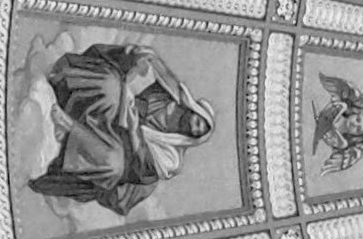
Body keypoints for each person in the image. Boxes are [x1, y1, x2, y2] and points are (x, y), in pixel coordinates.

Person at [31, 41, 221, 216]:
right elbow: (141, 69)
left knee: (112, 162)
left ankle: (69, 129)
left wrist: (132, 125)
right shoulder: (167, 95)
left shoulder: (171, 158)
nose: (194, 127)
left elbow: (139, 163)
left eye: (198, 133)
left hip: (123, 145)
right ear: (195, 111)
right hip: (111, 113)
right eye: (199, 122)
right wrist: (135, 59)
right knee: (110, 85)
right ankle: (62, 88)